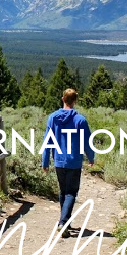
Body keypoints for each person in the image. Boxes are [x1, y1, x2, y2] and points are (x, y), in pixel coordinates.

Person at [42, 88, 95, 234]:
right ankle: (63, 222)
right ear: (75, 101)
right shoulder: (80, 120)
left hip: (59, 161)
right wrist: (91, 157)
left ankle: (65, 221)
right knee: (71, 192)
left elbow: (48, 141)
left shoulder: (53, 118)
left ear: (63, 99)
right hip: (74, 161)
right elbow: (87, 142)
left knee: (63, 191)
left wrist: (45, 161)